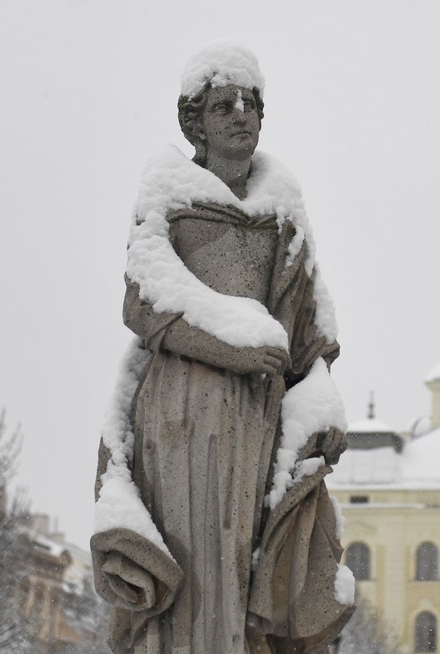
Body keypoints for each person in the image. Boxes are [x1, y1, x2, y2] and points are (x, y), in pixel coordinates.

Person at [92, 43, 354, 654]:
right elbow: (144, 295)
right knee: (194, 552)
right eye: (222, 105)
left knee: (247, 551)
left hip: (257, 417)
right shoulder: (169, 191)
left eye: (251, 104)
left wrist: (320, 401)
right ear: (196, 121)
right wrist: (233, 343)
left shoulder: (282, 207)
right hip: (180, 409)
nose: (240, 115)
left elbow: (308, 326)